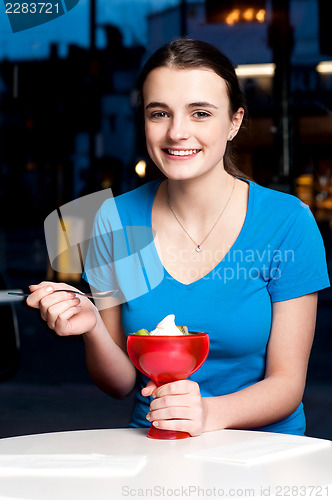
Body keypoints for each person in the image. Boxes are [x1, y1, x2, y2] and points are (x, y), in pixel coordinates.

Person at [27, 38, 330, 436]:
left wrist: (207, 414)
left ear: (234, 121)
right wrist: (92, 328)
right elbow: (119, 384)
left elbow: (287, 385)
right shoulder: (116, 219)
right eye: (159, 114)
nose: (177, 132)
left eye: (200, 113)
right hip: (157, 447)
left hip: (262, 454)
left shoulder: (287, 222)